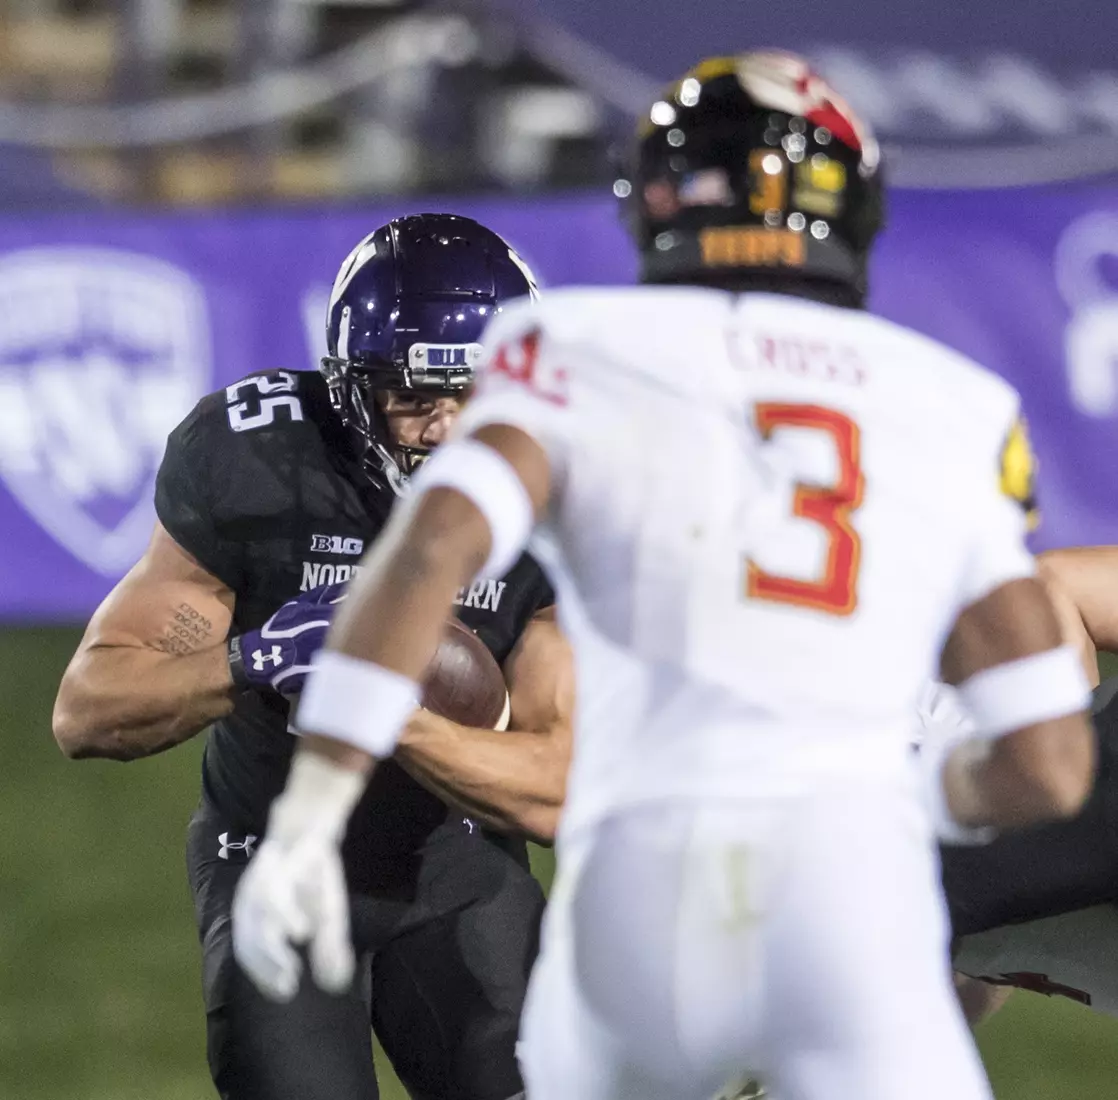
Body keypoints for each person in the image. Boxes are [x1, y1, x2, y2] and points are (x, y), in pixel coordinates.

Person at [230, 52, 1096, 1100]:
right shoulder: (950, 403)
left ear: (652, 203)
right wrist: (932, 801)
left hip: (639, 900)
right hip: (844, 890)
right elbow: (1047, 761)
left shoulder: (564, 348)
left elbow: (426, 554)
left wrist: (314, 807)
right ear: (854, 208)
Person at [52, 213, 573, 1100]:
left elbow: (560, 787)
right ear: (349, 386)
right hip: (267, 843)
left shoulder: (557, 492)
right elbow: (88, 710)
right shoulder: (256, 456)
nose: (443, 430)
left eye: (472, 394)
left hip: (453, 854)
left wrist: (381, 706)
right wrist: (257, 655)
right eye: (413, 395)